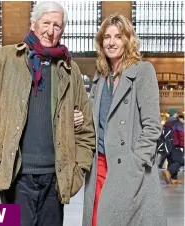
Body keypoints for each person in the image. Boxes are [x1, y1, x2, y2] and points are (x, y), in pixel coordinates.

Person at [0, 1, 95, 226]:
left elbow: (86, 129)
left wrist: (78, 169)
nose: (50, 31)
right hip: (16, 177)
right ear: (33, 24)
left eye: (57, 26)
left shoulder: (70, 69)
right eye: (46, 23)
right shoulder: (6, 58)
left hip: (55, 179)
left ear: (63, 30)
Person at [82, 14, 165, 226]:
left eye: (118, 36)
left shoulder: (142, 71)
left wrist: (135, 164)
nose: (111, 42)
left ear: (128, 40)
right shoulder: (100, 76)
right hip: (100, 166)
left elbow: (152, 127)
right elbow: (98, 120)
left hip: (128, 169)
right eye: (107, 37)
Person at [163, 109, 184, 184]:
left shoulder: (166, 123)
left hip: (168, 145)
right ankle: (169, 172)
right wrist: (182, 144)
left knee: (171, 161)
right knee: (180, 160)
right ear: (175, 114)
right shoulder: (177, 123)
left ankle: (174, 179)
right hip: (176, 144)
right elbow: (181, 133)